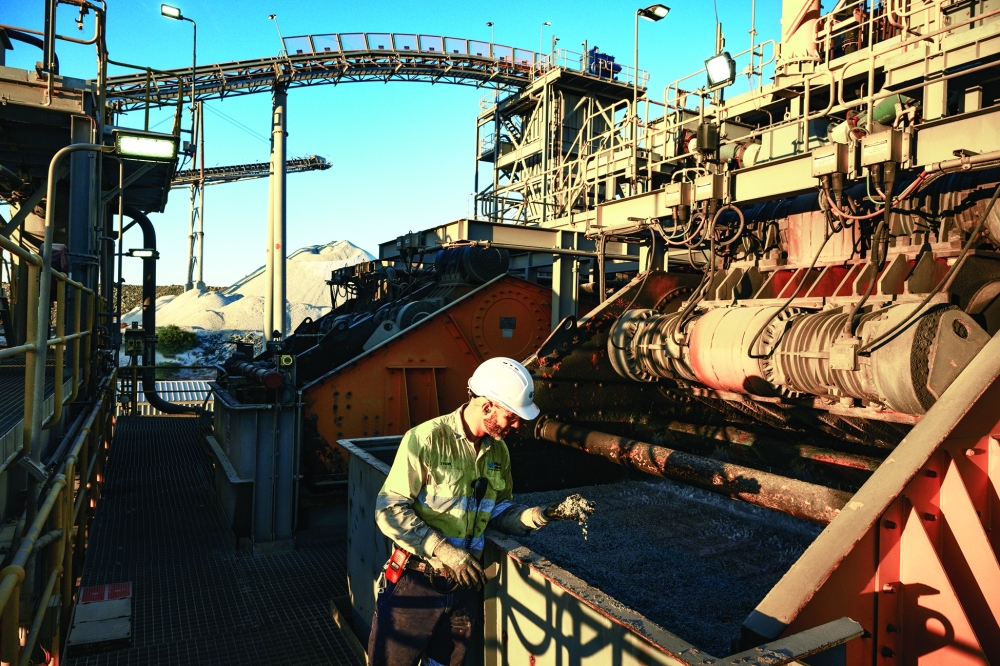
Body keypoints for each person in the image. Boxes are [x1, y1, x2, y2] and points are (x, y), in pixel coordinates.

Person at [368, 357, 584, 666]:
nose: (517, 425)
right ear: (486, 408)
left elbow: (499, 510)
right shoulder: (426, 440)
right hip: (415, 585)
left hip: (464, 589)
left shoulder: (499, 451)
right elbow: (389, 507)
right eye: (511, 417)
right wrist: (443, 550)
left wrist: (544, 514)